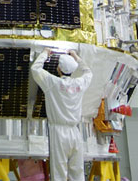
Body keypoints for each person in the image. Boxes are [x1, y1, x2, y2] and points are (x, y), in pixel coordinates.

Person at [31, 47, 92, 181]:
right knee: (77, 172)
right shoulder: (79, 84)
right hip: (75, 132)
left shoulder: (53, 83)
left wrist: (45, 53)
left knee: (59, 172)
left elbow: (35, 69)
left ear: (59, 69)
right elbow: (88, 72)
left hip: (59, 133)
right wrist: (75, 56)